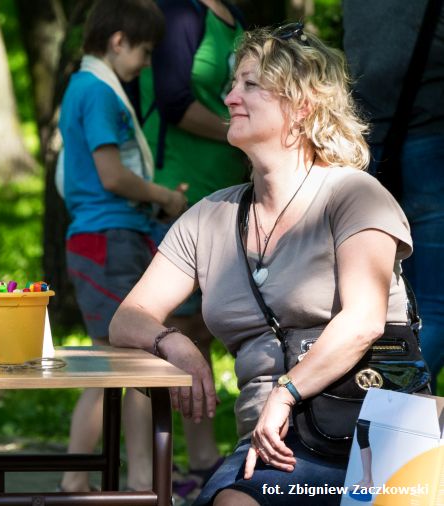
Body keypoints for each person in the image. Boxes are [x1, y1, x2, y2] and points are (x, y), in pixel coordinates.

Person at [110, 24, 413, 506]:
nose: (230, 97)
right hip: (271, 447)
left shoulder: (353, 194)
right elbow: (127, 318)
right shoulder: (210, 217)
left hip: (375, 440)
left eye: (251, 84)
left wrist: (286, 392)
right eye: (233, 84)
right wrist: (177, 343)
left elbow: (364, 321)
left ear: (303, 104)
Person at [55, 0, 187, 493]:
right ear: (118, 41)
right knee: (126, 361)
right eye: (145, 51)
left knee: (122, 362)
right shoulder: (98, 92)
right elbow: (111, 175)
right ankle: (125, 482)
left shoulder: (83, 86)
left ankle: (131, 480)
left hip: (109, 238)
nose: (147, 64)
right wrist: (164, 197)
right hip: (110, 239)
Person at [138, 0, 248, 495]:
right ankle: (154, 469)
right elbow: (174, 100)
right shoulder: (182, 13)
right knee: (175, 326)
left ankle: (203, 457)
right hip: (180, 191)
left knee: (202, 326)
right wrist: (242, 131)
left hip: (225, 191)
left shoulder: (235, 16)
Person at [343, 0, 444, 384]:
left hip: (368, 148)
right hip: (430, 146)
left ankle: (371, 397)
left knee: (385, 306)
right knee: (435, 307)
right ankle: (383, 399)